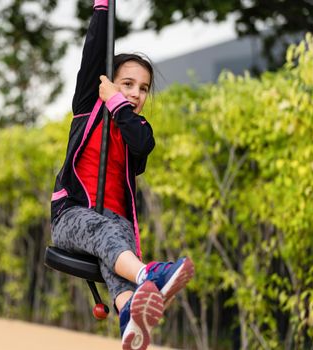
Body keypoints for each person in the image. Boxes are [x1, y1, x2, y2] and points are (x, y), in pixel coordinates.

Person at [50, 1, 195, 349]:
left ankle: (129, 312)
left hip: (116, 225)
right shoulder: (88, 109)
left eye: (142, 88)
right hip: (72, 216)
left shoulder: (137, 129)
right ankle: (149, 274)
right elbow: (94, 51)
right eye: (126, 83)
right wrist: (102, 7)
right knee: (107, 232)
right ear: (107, 84)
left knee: (116, 244)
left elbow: (142, 143)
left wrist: (118, 106)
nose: (134, 93)